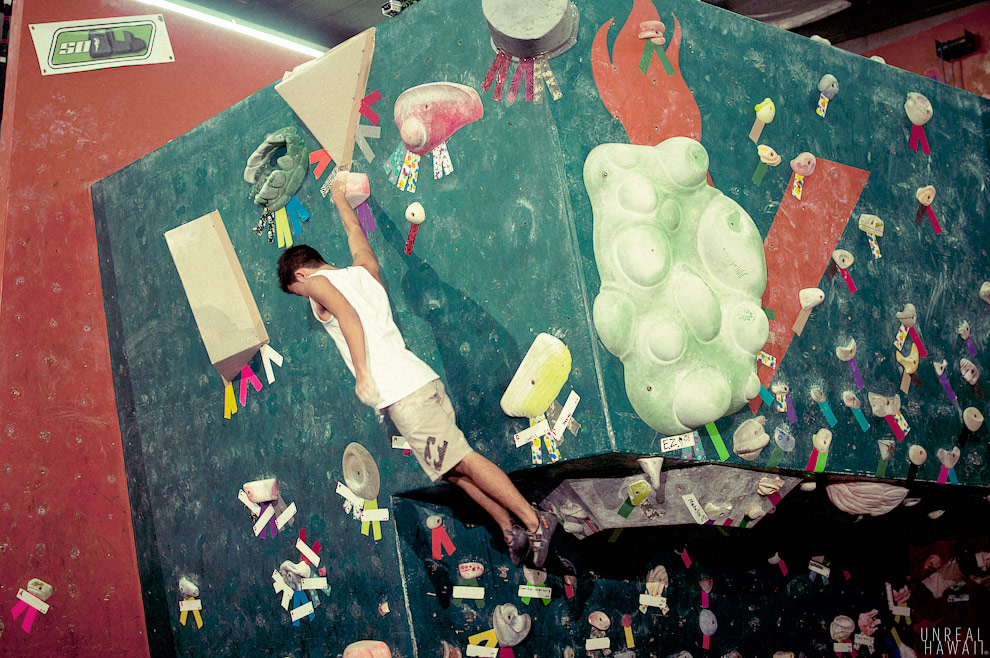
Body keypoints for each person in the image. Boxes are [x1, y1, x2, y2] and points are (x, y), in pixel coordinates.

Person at [276, 176, 556, 567]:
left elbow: (349, 316)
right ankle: (509, 527)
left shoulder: (319, 285)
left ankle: (535, 520)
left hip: (403, 393)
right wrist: (340, 197)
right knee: (452, 471)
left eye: (297, 292)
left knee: (465, 461)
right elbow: (355, 232)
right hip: (422, 381)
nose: (304, 299)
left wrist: (362, 376)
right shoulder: (364, 270)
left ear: (301, 277)